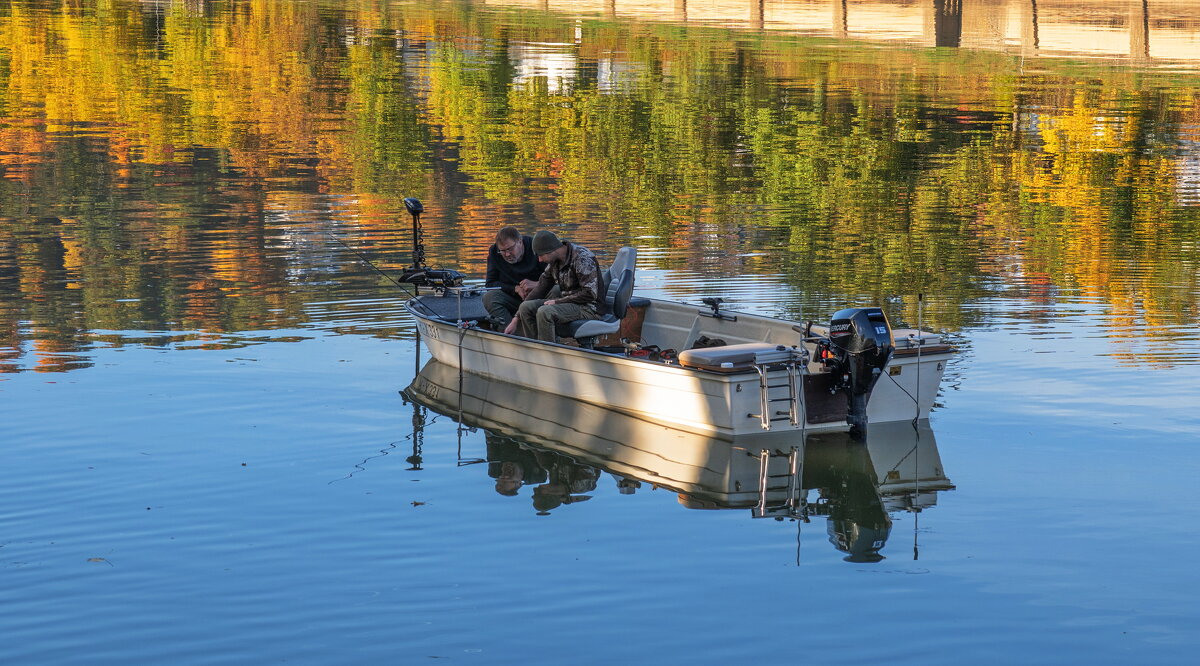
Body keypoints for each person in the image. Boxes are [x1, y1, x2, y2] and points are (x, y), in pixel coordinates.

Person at [506, 230, 603, 342]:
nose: (539, 260)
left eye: (541, 255)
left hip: (589, 308)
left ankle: (548, 353)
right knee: (526, 307)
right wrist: (516, 318)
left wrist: (558, 302)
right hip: (569, 304)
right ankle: (535, 349)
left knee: (545, 312)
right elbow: (540, 288)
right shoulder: (554, 262)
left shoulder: (582, 258)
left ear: (550, 250)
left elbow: (590, 294)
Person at [483, 226, 545, 328]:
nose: (507, 254)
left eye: (510, 249)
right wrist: (515, 289)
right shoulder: (494, 252)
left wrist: (537, 284)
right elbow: (490, 284)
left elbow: (557, 278)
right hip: (514, 298)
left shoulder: (536, 247)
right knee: (489, 297)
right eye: (502, 251)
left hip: (539, 297)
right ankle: (509, 332)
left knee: (556, 290)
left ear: (520, 242)